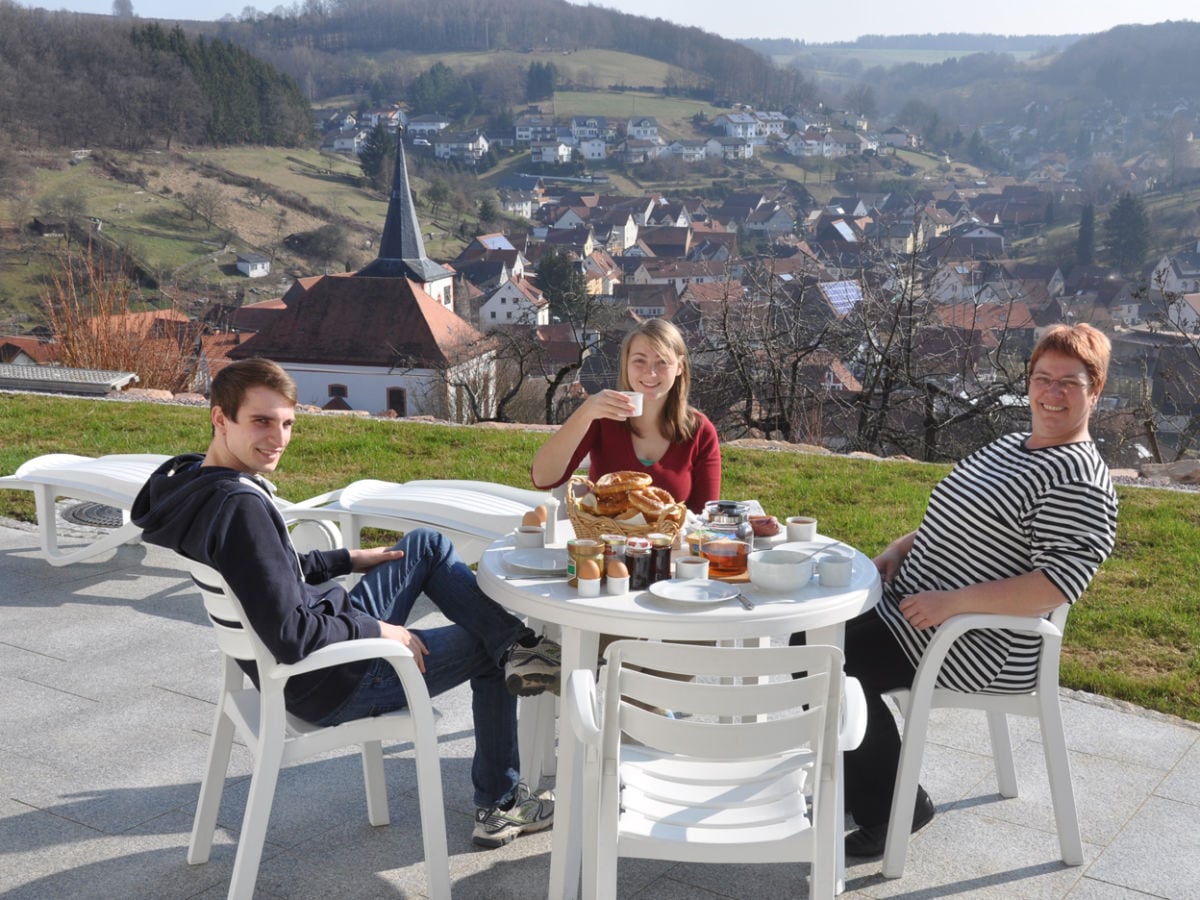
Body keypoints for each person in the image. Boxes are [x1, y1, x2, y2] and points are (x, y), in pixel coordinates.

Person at [131, 358, 561, 849]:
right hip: (335, 679)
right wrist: (381, 633)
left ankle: (522, 648)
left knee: (424, 546)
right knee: (489, 647)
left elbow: (267, 568)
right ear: (220, 418)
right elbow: (292, 637)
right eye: (261, 421)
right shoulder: (241, 508)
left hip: (324, 650)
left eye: (287, 423)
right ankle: (501, 803)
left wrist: (346, 559)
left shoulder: (192, 482)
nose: (278, 437)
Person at [803, 323, 1119, 859]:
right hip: (918, 612)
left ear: (1097, 390)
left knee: (823, 662)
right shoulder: (1013, 445)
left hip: (976, 642)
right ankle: (864, 784)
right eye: (1043, 378)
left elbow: (1054, 586)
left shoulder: (1080, 480)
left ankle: (895, 808)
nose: (1052, 393)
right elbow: (954, 516)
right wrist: (897, 552)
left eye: (1071, 382)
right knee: (805, 630)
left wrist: (952, 603)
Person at [530, 317, 720, 513]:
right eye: (639, 361)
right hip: (605, 540)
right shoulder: (603, 417)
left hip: (669, 543)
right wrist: (585, 412)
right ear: (626, 364)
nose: (650, 373)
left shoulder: (699, 431)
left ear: (679, 366)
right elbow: (543, 478)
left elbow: (705, 518)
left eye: (662, 362)